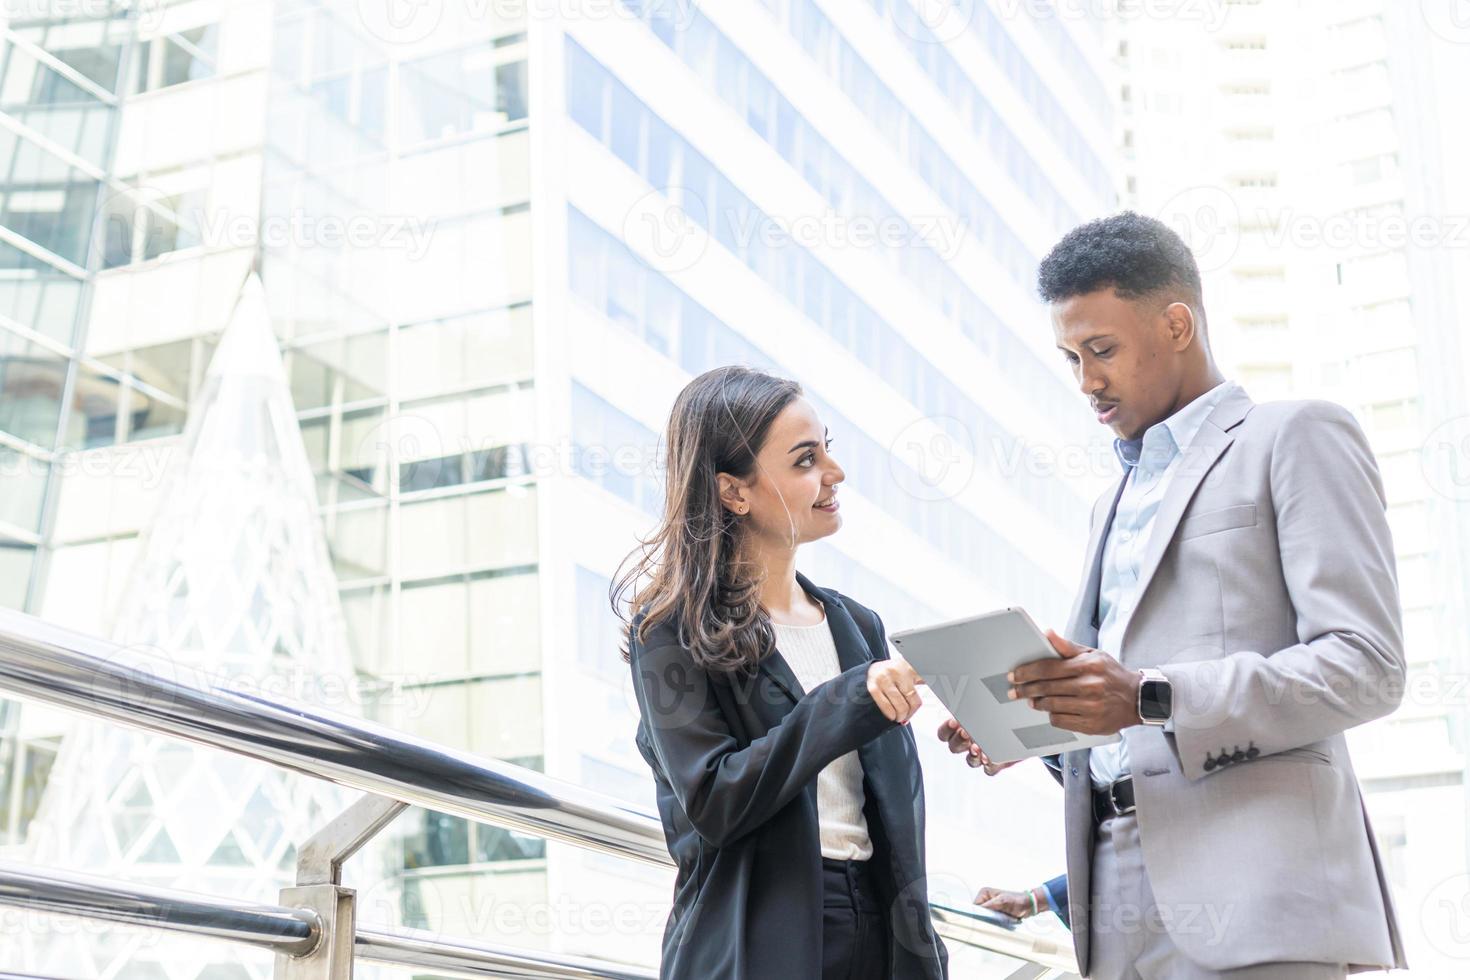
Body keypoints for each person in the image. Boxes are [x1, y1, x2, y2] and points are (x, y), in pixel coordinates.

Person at [940, 212, 1406, 979]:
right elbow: (1119, 717)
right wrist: (1028, 724)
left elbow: (1366, 667)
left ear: (1178, 324)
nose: (1086, 381)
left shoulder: (1296, 436)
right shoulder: (1109, 503)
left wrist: (1151, 697)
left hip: (1256, 894)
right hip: (1114, 900)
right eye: (1070, 357)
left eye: (1102, 350)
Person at [618, 366, 948, 980]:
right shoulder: (669, 632)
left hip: (879, 926)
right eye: (804, 460)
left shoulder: (858, 625)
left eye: (828, 451)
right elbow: (713, 801)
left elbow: (885, 800)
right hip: (757, 935)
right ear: (732, 492)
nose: (834, 474)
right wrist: (852, 698)